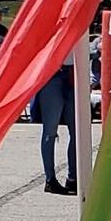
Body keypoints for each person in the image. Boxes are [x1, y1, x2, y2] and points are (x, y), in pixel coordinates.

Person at [31, 56, 77, 194]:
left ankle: (73, 178)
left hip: (74, 74)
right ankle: (50, 179)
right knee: (50, 131)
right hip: (53, 75)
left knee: (77, 132)